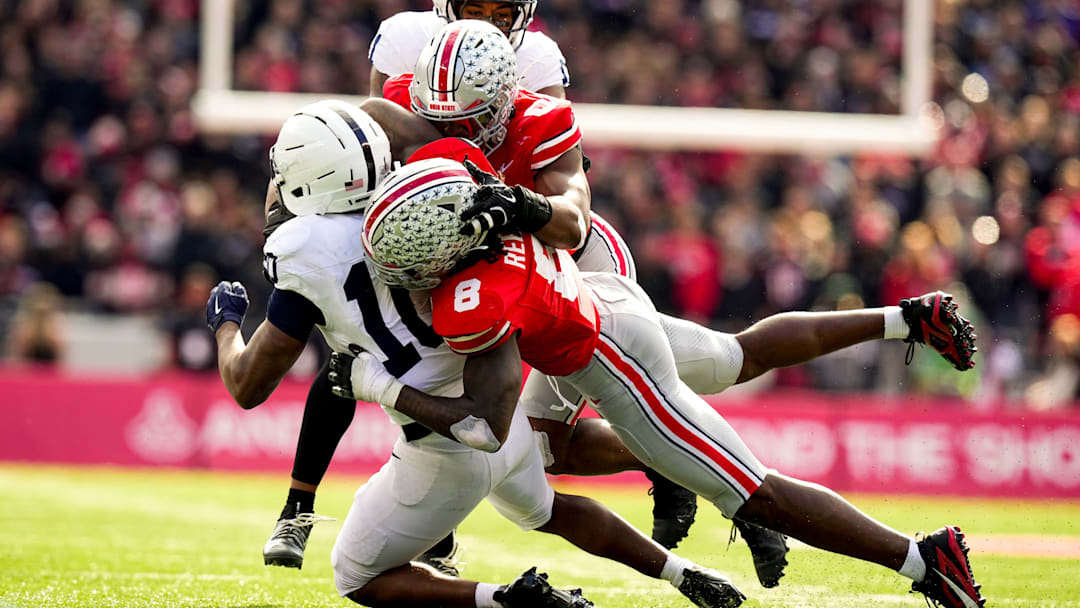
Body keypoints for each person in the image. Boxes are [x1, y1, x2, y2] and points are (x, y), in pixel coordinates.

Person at [339, 155, 987, 608]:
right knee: (732, 358)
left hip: (611, 361)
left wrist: (378, 385)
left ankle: (926, 560)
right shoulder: (496, 205)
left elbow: (486, 424)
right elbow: (560, 217)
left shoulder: (474, 296)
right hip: (608, 301)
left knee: (754, 495)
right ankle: (905, 319)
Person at [209, 99, 748, 608]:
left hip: (446, 439)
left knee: (355, 574)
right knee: (548, 511)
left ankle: (507, 599)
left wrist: (226, 323)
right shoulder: (421, 200)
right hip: (502, 412)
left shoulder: (302, 253)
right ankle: (684, 573)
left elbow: (247, 386)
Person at [368, 0, 568, 99]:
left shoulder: (539, 57)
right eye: (475, 12)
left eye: (501, 15)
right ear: (450, 8)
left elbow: (554, 141)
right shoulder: (405, 35)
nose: (487, 26)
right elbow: (382, 128)